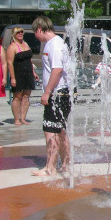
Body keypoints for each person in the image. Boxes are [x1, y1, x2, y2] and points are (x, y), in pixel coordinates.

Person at [32, 15, 71, 176]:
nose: (35, 36)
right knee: (61, 131)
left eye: (35, 32)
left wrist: (47, 92)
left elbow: (57, 70)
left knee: (51, 130)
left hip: (57, 94)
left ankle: (50, 167)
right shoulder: (57, 43)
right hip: (63, 93)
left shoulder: (53, 45)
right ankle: (67, 165)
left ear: (40, 29)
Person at [5, 26, 38, 124]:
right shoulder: (12, 47)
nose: (20, 34)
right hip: (18, 73)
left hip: (28, 73)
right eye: (18, 32)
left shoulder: (26, 44)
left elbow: (29, 60)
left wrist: (33, 72)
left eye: (21, 32)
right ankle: (16, 119)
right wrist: (13, 78)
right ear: (14, 35)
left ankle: (23, 118)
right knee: (17, 96)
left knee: (26, 96)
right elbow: (10, 63)